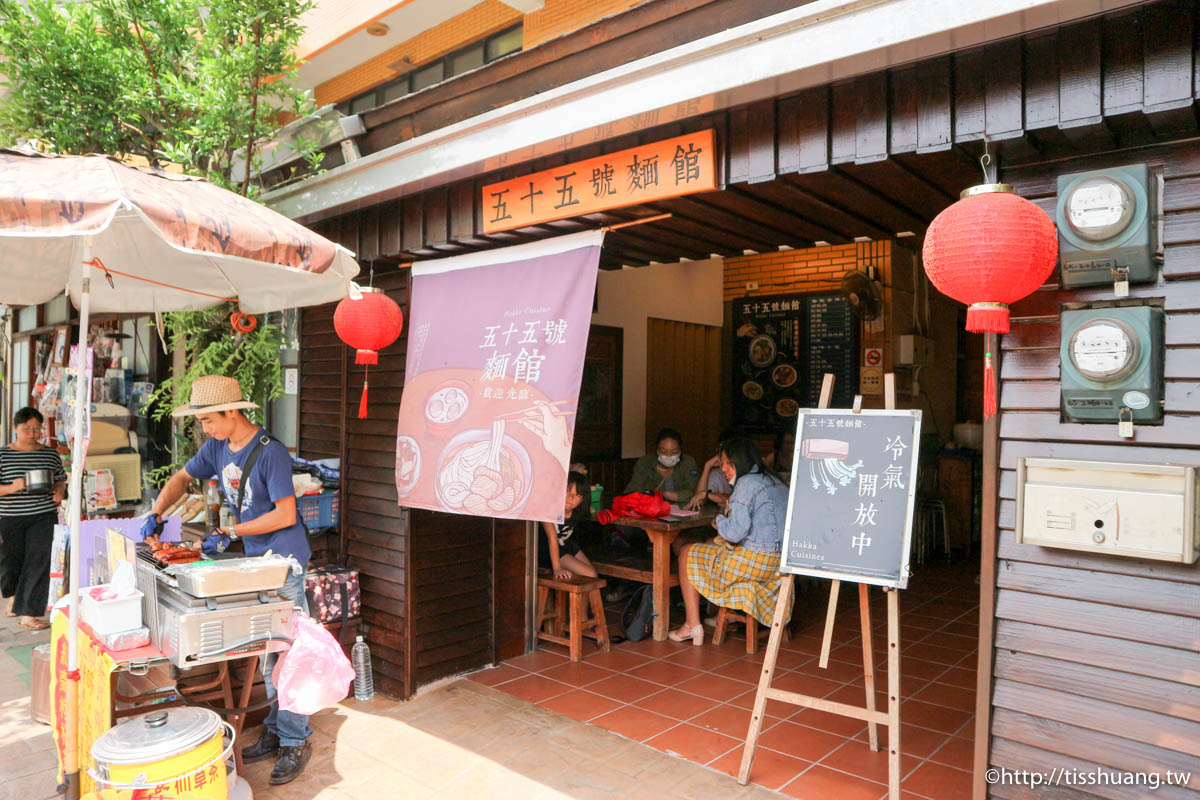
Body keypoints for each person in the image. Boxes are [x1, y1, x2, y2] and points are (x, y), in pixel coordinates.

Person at [143, 375, 312, 785]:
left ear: (232, 412)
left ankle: (295, 740)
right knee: (268, 651)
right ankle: (277, 729)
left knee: (287, 656)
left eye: (209, 420)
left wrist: (233, 533)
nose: (206, 429)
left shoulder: (272, 454)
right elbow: (183, 477)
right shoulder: (217, 447)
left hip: (284, 563)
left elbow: (285, 515)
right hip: (256, 563)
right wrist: (158, 511)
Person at [669, 437, 793, 645]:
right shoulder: (774, 480)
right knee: (710, 547)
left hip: (755, 564)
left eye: (727, 462)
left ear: (740, 461)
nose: (724, 468)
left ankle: (692, 625)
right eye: (722, 463)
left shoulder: (746, 484)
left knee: (687, 551)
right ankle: (716, 613)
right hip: (780, 563)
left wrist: (719, 520)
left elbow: (734, 533)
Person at [0, 408, 66, 630]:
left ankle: (29, 613)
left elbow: (60, 479)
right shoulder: (3, 454)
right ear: (16, 428)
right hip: (9, 516)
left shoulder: (49, 454)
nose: (32, 433)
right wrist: (11, 487)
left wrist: (59, 491)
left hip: (43, 514)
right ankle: (14, 595)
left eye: (36, 428)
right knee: (12, 561)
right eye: (27, 428)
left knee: (39, 561)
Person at [540, 471, 597, 580]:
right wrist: (557, 569)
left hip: (567, 545)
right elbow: (552, 538)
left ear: (582, 499)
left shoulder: (577, 511)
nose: (571, 498)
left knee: (593, 575)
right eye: (568, 491)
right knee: (590, 574)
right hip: (548, 549)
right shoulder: (548, 510)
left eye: (577, 495)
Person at [623, 427, 699, 505]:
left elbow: (694, 492)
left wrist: (671, 495)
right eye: (663, 451)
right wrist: (652, 496)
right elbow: (631, 492)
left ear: (680, 451)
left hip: (682, 511)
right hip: (651, 511)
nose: (669, 456)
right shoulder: (645, 463)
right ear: (657, 451)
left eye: (674, 452)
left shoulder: (688, 462)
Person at [685, 429, 739, 511]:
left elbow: (738, 500)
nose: (724, 468)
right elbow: (698, 502)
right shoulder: (716, 475)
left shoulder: (749, 476)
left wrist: (707, 494)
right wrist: (707, 466)